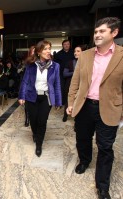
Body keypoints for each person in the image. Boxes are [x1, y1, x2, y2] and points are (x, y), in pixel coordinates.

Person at [66, 17, 122, 199]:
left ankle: (103, 186)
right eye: (96, 31)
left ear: (114, 33)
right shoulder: (85, 55)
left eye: (102, 31)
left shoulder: (122, 56)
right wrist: (71, 103)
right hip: (85, 106)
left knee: (105, 147)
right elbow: (75, 82)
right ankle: (84, 160)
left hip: (110, 108)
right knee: (82, 138)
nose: (97, 34)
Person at [18, 40, 62, 157]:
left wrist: (58, 101)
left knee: (42, 121)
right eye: (45, 49)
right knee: (33, 120)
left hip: (46, 98)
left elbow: (57, 84)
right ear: (38, 52)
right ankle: (35, 133)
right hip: (32, 96)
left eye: (49, 48)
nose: (48, 51)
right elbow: (25, 81)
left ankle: (39, 144)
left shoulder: (55, 66)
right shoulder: (31, 65)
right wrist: (22, 96)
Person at [62, 45, 85, 122]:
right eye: (75, 51)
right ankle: (65, 116)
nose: (75, 53)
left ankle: (77, 119)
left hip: (82, 86)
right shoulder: (69, 62)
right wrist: (75, 72)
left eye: (78, 51)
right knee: (68, 101)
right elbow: (65, 74)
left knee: (80, 103)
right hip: (69, 85)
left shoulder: (87, 64)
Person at [54, 39, 75, 105]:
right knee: (61, 88)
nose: (66, 45)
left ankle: (69, 103)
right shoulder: (58, 54)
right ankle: (62, 103)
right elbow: (55, 65)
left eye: (68, 44)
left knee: (70, 88)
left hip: (71, 74)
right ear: (62, 45)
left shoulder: (73, 53)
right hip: (61, 74)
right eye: (65, 44)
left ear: (70, 45)